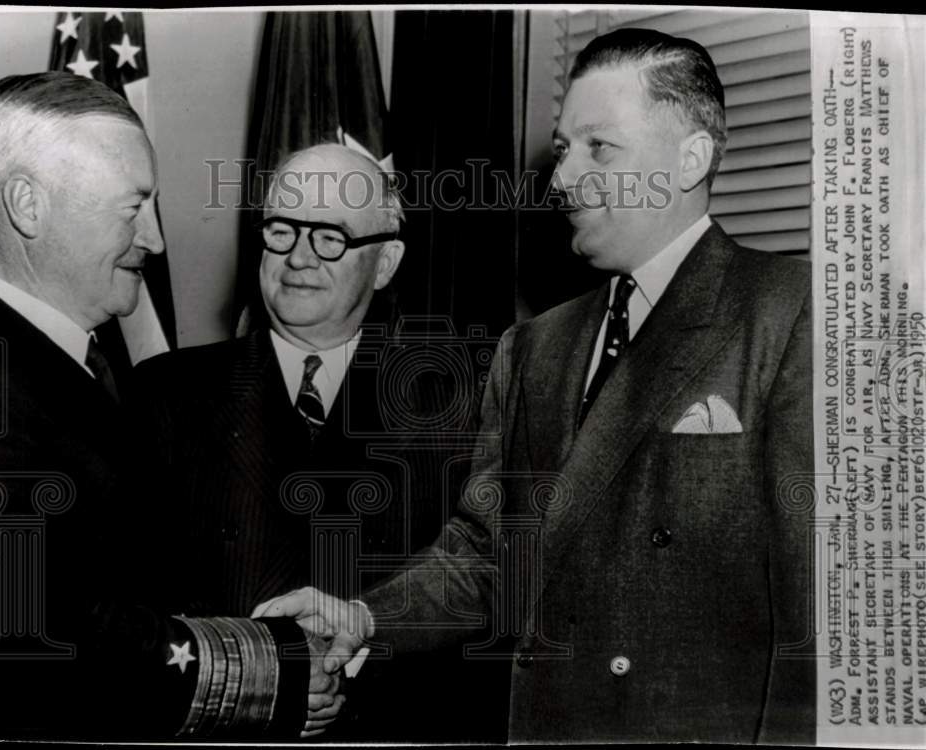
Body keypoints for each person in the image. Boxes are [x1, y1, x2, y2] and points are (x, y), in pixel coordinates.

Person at [256, 28, 815, 744]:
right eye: (561, 150)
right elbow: (484, 556)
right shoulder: (535, 346)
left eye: (598, 148)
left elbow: (825, 613)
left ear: (691, 159)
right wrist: (363, 616)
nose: (561, 180)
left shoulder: (794, 311)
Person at [0, 72, 339, 741]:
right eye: (132, 208)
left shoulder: (62, 368)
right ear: (29, 207)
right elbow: (42, 639)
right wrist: (278, 666)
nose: (154, 238)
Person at [139, 143, 507, 741]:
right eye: (281, 230)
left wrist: (350, 680)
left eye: (330, 237)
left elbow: (482, 588)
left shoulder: (460, 398)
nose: (298, 258)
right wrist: (261, 686)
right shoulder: (164, 392)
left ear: (385, 263)